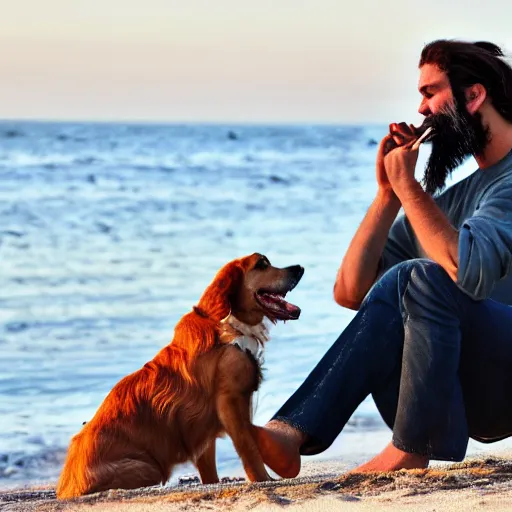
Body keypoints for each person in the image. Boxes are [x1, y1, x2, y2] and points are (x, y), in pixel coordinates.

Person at [253, 39, 512, 476]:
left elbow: (469, 273)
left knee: (419, 277)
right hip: (463, 399)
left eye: (430, 93)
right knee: (403, 285)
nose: (422, 109)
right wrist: (388, 196)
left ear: (474, 95)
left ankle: (409, 447)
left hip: (503, 378)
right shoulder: (454, 201)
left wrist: (412, 189)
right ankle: (293, 432)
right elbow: (352, 292)